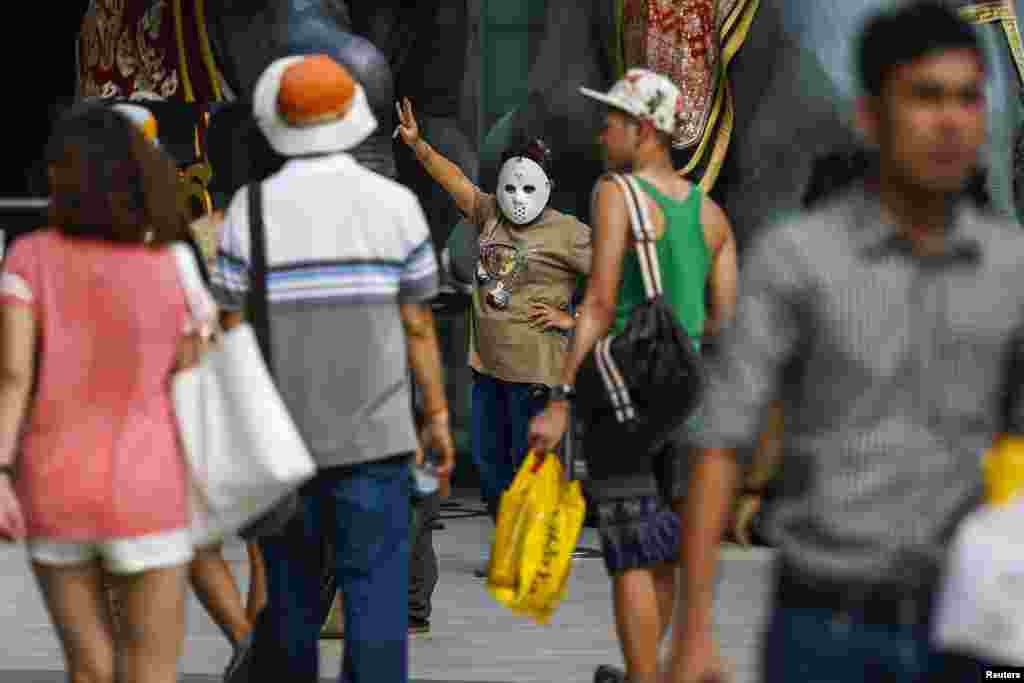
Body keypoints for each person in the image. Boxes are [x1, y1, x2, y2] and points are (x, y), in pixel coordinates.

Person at [668, 3, 1024, 682]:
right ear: (869, 116)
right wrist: (693, 633)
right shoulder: (797, 262)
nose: (950, 121)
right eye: (925, 98)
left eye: (967, 99)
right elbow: (719, 444)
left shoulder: (1012, 273)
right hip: (825, 623)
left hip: (971, 621)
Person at [209, 54, 455, 683]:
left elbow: (228, 329)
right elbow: (418, 324)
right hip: (376, 447)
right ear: (352, 118)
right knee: (374, 607)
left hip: (283, 448)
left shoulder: (249, 211)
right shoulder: (394, 206)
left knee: (291, 606)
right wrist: (436, 416)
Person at [526, 68, 737, 683]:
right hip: (690, 397)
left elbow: (597, 303)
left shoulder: (614, 193)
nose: (602, 132)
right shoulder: (713, 216)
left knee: (629, 551)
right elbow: (724, 320)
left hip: (624, 399)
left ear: (645, 130)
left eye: (612, 121)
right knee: (665, 549)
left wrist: (560, 399)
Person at [0, 104, 205, 683]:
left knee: (88, 668)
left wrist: (0, 470)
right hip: (151, 485)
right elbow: (189, 373)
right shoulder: (170, 262)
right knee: (150, 668)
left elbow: (13, 378)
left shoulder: (28, 257)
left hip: (56, 485)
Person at [112, 101, 266, 683]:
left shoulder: (174, 232)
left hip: (153, 404)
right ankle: (254, 650)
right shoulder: (192, 231)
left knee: (179, 540)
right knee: (251, 537)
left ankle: (248, 646)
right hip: (221, 392)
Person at [396, 98, 592, 545]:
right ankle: (510, 547)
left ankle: (531, 553)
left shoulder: (569, 232)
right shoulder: (489, 214)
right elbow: (455, 182)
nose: (518, 198)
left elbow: (613, 278)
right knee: (490, 466)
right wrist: (419, 146)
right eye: (510, 188)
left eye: (529, 188)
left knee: (531, 469)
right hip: (486, 372)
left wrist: (573, 318)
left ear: (548, 186)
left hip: (536, 377)